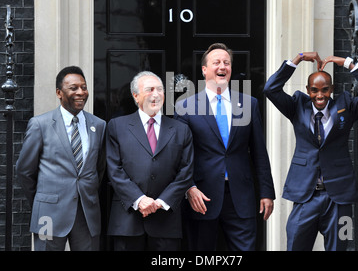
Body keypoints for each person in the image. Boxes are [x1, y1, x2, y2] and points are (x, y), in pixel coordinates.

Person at [263, 52, 358, 251]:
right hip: (305, 197)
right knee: (295, 245)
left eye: (325, 90)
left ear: (332, 89)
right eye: (314, 90)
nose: (319, 95)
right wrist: (298, 59)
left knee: (340, 248)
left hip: (339, 199)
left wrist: (347, 63)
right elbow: (270, 89)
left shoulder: (347, 106)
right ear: (307, 90)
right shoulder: (297, 107)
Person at [174, 43, 275, 251]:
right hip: (202, 197)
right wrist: (189, 187)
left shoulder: (249, 104)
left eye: (226, 63)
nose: (222, 66)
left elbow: (259, 152)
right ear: (204, 70)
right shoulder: (184, 106)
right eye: (216, 62)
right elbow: (180, 155)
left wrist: (266, 192)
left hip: (241, 196)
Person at [16, 66, 106, 251]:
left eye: (84, 87)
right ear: (59, 92)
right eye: (73, 88)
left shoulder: (99, 125)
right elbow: (25, 170)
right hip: (47, 215)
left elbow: (100, 168)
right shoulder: (40, 124)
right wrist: (42, 200)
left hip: (86, 214)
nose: (81, 92)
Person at [106, 71, 194, 251]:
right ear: (135, 96)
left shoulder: (181, 130)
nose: (156, 94)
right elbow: (114, 169)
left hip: (166, 221)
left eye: (160, 89)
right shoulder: (117, 126)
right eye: (150, 89)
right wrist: (139, 200)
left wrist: (161, 202)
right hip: (127, 220)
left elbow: (186, 171)